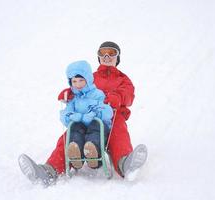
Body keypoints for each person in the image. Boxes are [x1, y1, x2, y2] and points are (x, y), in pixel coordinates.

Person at [18, 41, 147, 187]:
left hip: (111, 116)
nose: (106, 56)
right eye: (102, 53)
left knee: (118, 132)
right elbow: (79, 87)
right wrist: (70, 93)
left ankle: (125, 163)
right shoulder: (90, 76)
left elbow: (129, 95)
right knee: (70, 134)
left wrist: (117, 96)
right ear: (98, 57)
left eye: (111, 53)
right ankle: (49, 171)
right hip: (87, 116)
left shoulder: (123, 79)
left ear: (117, 58)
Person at [60, 60, 113, 169]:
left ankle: (93, 152)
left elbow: (108, 111)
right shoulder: (73, 98)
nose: (77, 84)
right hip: (81, 126)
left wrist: (95, 113)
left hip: (97, 126)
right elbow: (65, 113)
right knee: (75, 127)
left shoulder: (97, 94)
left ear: (88, 80)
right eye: (74, 81)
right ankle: (76, 153)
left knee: (95, 126)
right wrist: (71, 116)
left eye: (81, 80)